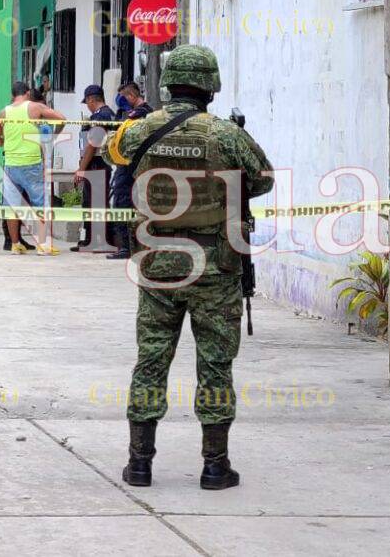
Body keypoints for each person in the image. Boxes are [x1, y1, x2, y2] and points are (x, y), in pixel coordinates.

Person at [104, 45, 274, 491]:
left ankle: (139, 463)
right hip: (215, 271)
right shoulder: (225, 135)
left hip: (159, 267)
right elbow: (263, 178)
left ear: (168, 84)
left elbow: (113, 153)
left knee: (151, 361)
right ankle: (215, 466)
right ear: (210, 88)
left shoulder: (143, 129)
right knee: (216, 366)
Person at [0, 81, 67, 255]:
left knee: (11, 206)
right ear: (27, 93)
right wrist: (53, 135)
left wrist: (9, 142)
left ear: (13, 95)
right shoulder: (35, 108)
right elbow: (62, 118)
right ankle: (43, 245)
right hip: (32, 163)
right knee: (40, 204)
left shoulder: (3, 113)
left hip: (10, 165)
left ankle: (15, 244)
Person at [108, 82, 153, 260]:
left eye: (123, 98)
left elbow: (125, 134)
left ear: (132, 97)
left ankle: (127, 246)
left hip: (129, 165)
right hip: (137, 165)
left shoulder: (141, 113)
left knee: (122, 202)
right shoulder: (148, 111)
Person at [73, 84, 119, 252]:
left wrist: (81, 169)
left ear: (92, 99)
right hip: (97, 163)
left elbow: (92, 145)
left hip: (98, 163)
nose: (87, 105)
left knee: (97, 203)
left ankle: (100, 240)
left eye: (87, 102)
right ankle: (91, 239)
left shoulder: (102, 115)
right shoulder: (104, 115)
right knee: (90, 202)